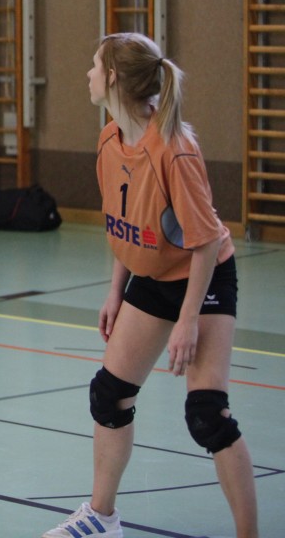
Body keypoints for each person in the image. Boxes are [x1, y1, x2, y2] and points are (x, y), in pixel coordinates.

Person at [43, 32, 258, 538]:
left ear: (113, 77)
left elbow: (206, 242)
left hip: (202, 277)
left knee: (207, 415)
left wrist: (188, 321)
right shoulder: (110, 140)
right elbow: (125, 224)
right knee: (109, 395)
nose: (88, 75)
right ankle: (102, 517)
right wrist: (116, 292)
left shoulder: (174, 151)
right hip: (152, 274)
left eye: (94, 65)